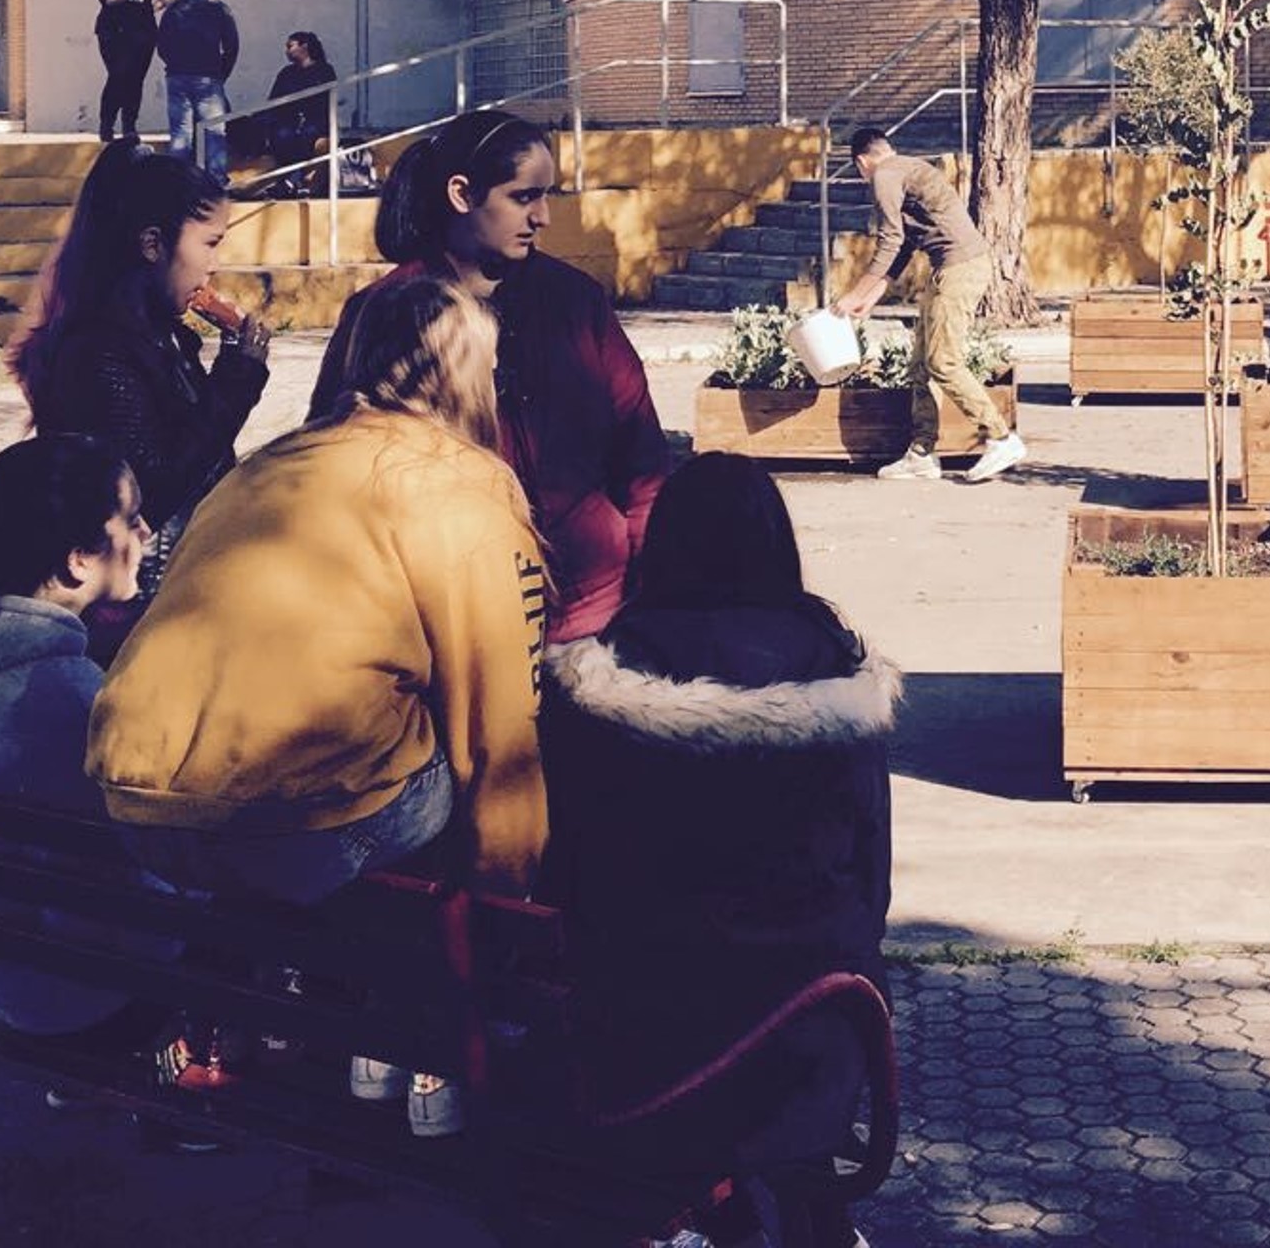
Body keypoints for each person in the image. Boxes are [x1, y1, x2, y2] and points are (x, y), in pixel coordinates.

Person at [87, 276, 550, 1133]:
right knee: (447, 765)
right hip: (300, 826)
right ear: (467, 376)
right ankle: (406, 1047)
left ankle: (289, 1030)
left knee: (368, 740)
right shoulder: (465, 486)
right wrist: (505, 913)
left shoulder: (275, 462)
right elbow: (501, 729)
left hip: (138, 804)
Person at [541, 453, 894, 1242]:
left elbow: (569, 867)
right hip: (812, 1033)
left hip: (646, 1038)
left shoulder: (604, 673)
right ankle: (812, 1216)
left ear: (662, 547)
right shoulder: (835, 667)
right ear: (777, 546)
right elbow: (871, 876)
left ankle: (719, 1217)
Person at [308, 110, 669, 644]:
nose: (543, 216)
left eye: (547, 195)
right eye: (523, 197)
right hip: (451, 624)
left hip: (595, 619)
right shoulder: (384, 310)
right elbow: (332, 466)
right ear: (461, 194)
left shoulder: (576, 301)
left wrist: (646, 589)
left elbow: (643, 460)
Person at [7, 142, 271, 643]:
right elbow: (155, 484)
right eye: (209, 244)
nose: (214, 265)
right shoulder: (99, 350)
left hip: (184, 589)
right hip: (137, 611)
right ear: (153, 245)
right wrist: (237, 377)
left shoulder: (163, 335)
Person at [0, 435, 152, 1036]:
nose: (146, 532)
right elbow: (149, 884)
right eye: (132, 517)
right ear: (78, 560)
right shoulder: (77, 702)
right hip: (67, 996)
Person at [831, 127, 1025, 484]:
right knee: (921, 364)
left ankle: (1001, 438)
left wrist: (854, 294)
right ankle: (921, 454)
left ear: (861, 162)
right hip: (952, 268)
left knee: (943, 361)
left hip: (959, 269)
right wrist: (872, 297)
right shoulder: (908, 167)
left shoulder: (884, 175)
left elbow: (889, 240)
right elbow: (905, 245)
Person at [92, 0, 174, 144]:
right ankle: (107, 123)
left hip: (143, 33)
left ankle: (129, 125)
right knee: (118, 75)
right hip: (114, 31)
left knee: (136, 80)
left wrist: (155, 6)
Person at [156, 0, 240, 184]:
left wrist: (174, 65)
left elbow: (162, 44)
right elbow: (232, 46)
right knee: (214, 130)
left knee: (180, 132)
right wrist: (221, 74)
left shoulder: (174, 8)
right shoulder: (219, 8)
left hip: (176, 76)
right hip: (208, 77)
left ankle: (178, 182)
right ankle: (216, 181)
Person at [262, 31, 339, 169]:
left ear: (304, 46)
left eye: (290, 46)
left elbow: (326, 99)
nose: (287, 51)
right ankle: (288, 174)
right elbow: (274, 99)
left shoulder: (324, 70)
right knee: (282, 135)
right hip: (288, 120)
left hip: (315, 120)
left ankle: (301, 174)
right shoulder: (286, 72)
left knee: (309, 134)